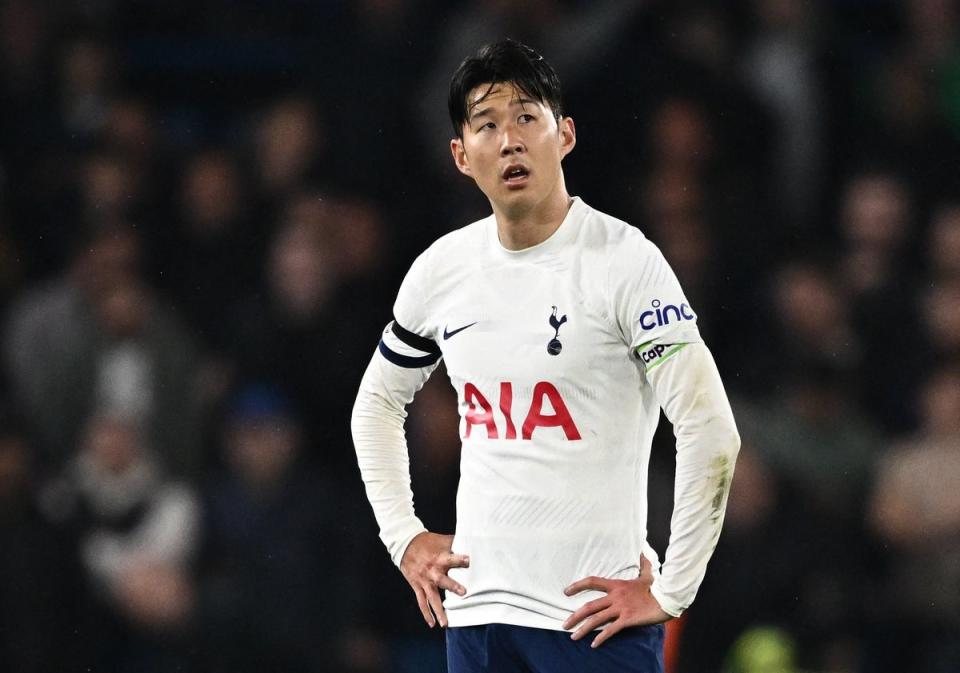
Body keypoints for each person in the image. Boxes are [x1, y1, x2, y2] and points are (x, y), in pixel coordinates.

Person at [351, 39, 740, 673]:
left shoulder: (625, 261)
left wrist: (674, 591)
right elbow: (375, 406)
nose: (509, 140)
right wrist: (404, 538)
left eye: (527, 117)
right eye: (487, 125)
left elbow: (710, 429)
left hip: (591, 625)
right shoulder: (441, 271)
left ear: (565, 135)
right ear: (460, 155)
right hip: (477, 621)